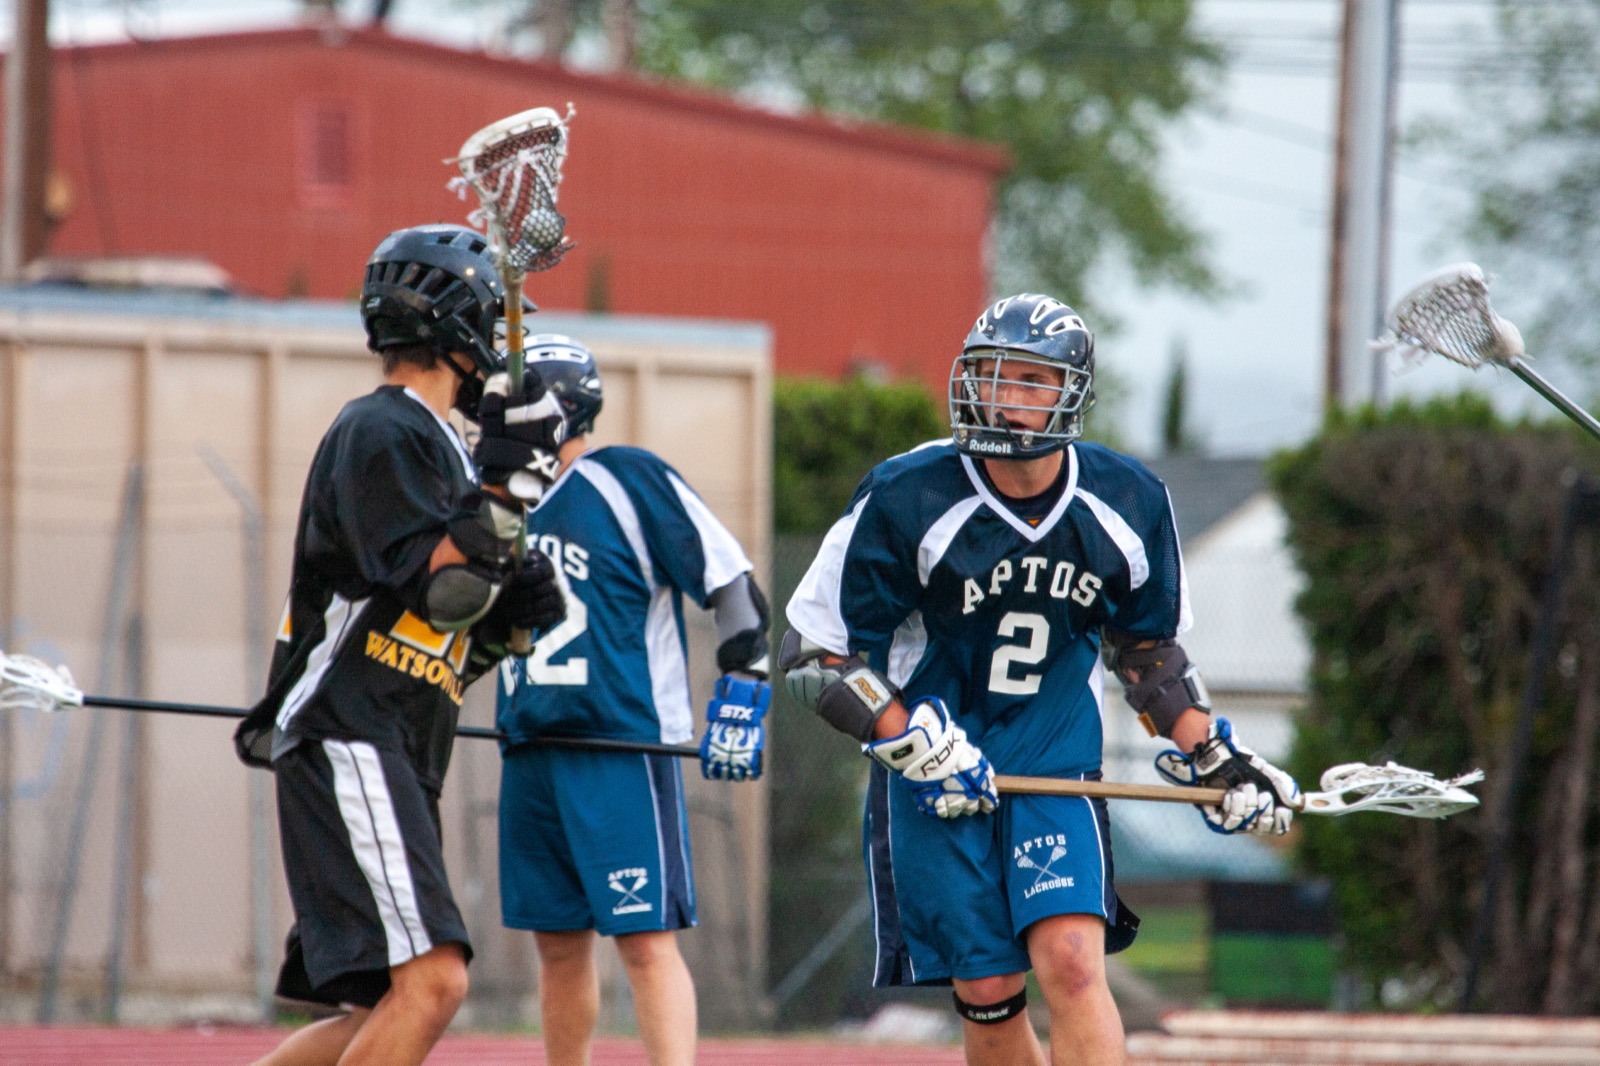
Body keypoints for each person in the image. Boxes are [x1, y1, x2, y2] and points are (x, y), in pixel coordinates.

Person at [780, 294, 1300, 1066]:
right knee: (988, 995)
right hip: (934, 767)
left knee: (1074, 964)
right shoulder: (905, 496)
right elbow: (811, 658)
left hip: (1053, 755)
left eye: (1031, 381)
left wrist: (1216, 758)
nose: (1007, 400)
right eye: (993, 378)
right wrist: (907, 741)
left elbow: (1148, 656)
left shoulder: (1126, 501)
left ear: (1071, 394)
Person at [233, 223, 568, 1066]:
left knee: (385, 1004)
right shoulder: (385, 430)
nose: (501, 338)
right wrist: (501, 492)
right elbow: (441, 586)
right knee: (436, 982)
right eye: (492, 316)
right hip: (352, 730)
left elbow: (462, 636)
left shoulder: (443, 448)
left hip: (394, 743)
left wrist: (518, 605)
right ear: (458, 324)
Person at [493, 333, 771, 1066]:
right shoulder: (496, 501)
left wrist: (744, 681)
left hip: (619, 743)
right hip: (530, 745)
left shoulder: (625, 479)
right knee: (555, 947)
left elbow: (731, 582)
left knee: (645, 942)